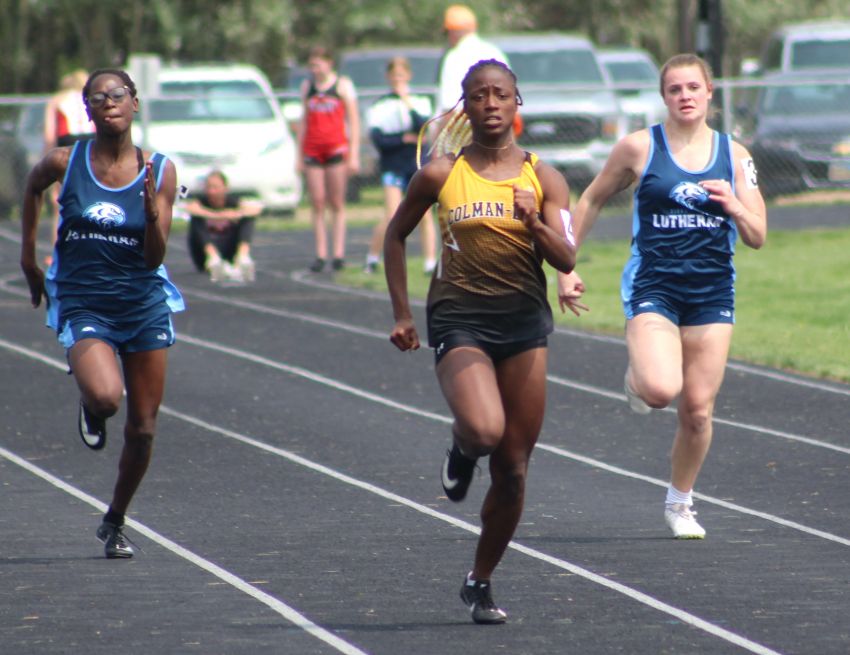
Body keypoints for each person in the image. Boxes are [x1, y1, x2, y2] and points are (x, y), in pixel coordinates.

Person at [384, 59, 583, 624]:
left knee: (515, 471)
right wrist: (402, 313)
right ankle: (462, 447)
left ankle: (480, 579)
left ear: (517, 104)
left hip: (523, 326)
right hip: (459, 318)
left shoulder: (545, 178)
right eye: (479, 96)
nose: (491, 104)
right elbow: (396, 236)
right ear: (464, 107)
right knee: (484, 429)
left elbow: (566, 257)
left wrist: (535, 223)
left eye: (501, 94)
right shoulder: (441, 174)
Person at [557, 53, 767, 539]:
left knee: (696, 410)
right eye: (675, 89)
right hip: (654, 284)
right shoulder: (638, 148)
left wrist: (732, 203)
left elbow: (757, 236)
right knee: (658, 390)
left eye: (694, 87)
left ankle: (680, 503)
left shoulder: (736, 156)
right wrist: (567, 264)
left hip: (712, 290)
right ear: (664, 96)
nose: (685, 96)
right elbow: (589, 198)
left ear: (710, 93)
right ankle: (637, 377)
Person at [20, 68, 185, 559]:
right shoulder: (65, 162)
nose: (109, 102)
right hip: (84, 299)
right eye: (98, 98)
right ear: (87, 110)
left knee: (145, 427)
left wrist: (151, 211)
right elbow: (31, 188)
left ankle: (115, 518)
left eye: (117, 94)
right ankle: (92, 404)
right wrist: (28, 258)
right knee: (108, 397)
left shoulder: (160, 169)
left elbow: (155, 258)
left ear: (135, 103)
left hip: (142, 302)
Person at [364, 56, 436, 276]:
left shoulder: (420, 101)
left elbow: (422, 129)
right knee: (392, 214)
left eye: (402, 75)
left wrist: (407, 102)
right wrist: (403, 139)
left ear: (408, 76)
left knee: (424, 214)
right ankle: (373, 258)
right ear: (388, 77)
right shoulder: (380, 105)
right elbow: (380, 140)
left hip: (415, 163)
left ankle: (430, 262)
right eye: (394, 76)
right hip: (393, 164)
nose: (398, 79)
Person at [296, 46, 360, 273]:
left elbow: (353, 120)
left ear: (329, 63)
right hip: (313, 149)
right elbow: (303, 121)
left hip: (335, 147)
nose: (315, 68)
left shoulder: (342, 85)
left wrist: (353, 154)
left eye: (319, 63)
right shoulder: (308, 87)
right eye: (312, 64)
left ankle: (339, 253)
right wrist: (299, 154)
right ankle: (320, 254)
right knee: (317, 202)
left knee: (337, 202)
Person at [42, 69, 96, 265]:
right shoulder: (91, 99)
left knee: (60, 200)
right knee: (90, 199)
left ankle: (58, 251)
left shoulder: (57, 100)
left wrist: (47, 159)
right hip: (91, 146)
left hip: (67, 145)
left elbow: (50, 135)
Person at [183, 170, 262, 283]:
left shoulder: (233, 201)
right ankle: (213, 258)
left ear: (225, 188)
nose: (212, 191)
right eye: (209, 187)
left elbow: (255, 210)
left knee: (247, 219)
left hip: (229, 250)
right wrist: (220, 215)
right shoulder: (201, 201)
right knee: (196, 219)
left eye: (216, 187)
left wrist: (237, 214)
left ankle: (243, 257)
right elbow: (190, 209)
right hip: (204, 256)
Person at [436, 5, 508, 117]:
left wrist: (437, 134)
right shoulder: (495, 52)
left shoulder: (454, 57)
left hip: (467, 129)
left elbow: (449, 108)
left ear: (451, 32)